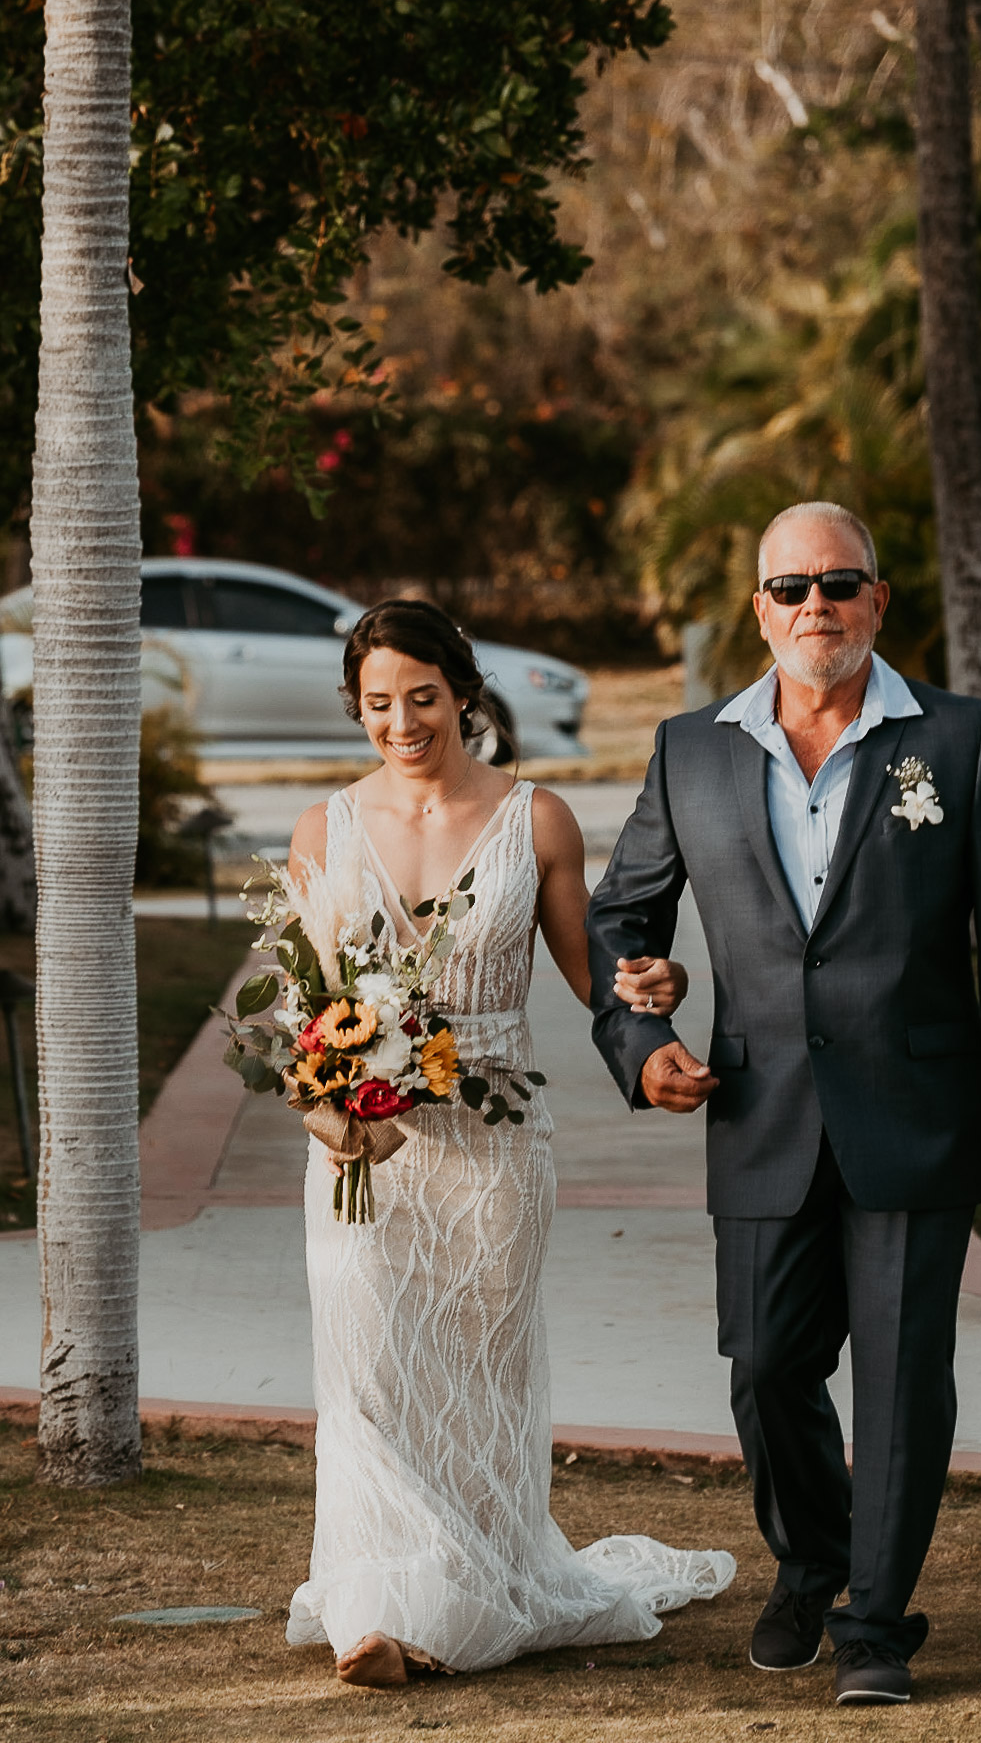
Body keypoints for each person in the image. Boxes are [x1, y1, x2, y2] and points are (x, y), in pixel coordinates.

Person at [586, 502, 981, 1707]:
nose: (817, 604)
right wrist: (643, 1033)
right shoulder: (688, 747)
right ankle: (809, 1564)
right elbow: (620, 920)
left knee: (903, 1378)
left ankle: (874, 1628)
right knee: (763, 1368)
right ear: (758, 608)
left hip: (918, 1112)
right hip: (755, 1109)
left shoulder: (956, 742)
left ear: (877, 601)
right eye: (792, 585)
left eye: (840, 582)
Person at [282, 599, 734, 1687]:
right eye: (378, 704)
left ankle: (474, 1589)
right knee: (367, 1371)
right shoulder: (323, 830)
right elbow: (300, 1011)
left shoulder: (538, 822)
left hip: (493, 1143)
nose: (402, 722)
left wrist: (653, 1004)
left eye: (422, 698)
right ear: (357, 709)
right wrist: (321, 1107)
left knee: (480, 1377)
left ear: (464, 695)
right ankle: (374, 1614)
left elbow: (598, 978)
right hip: (359, 1154)